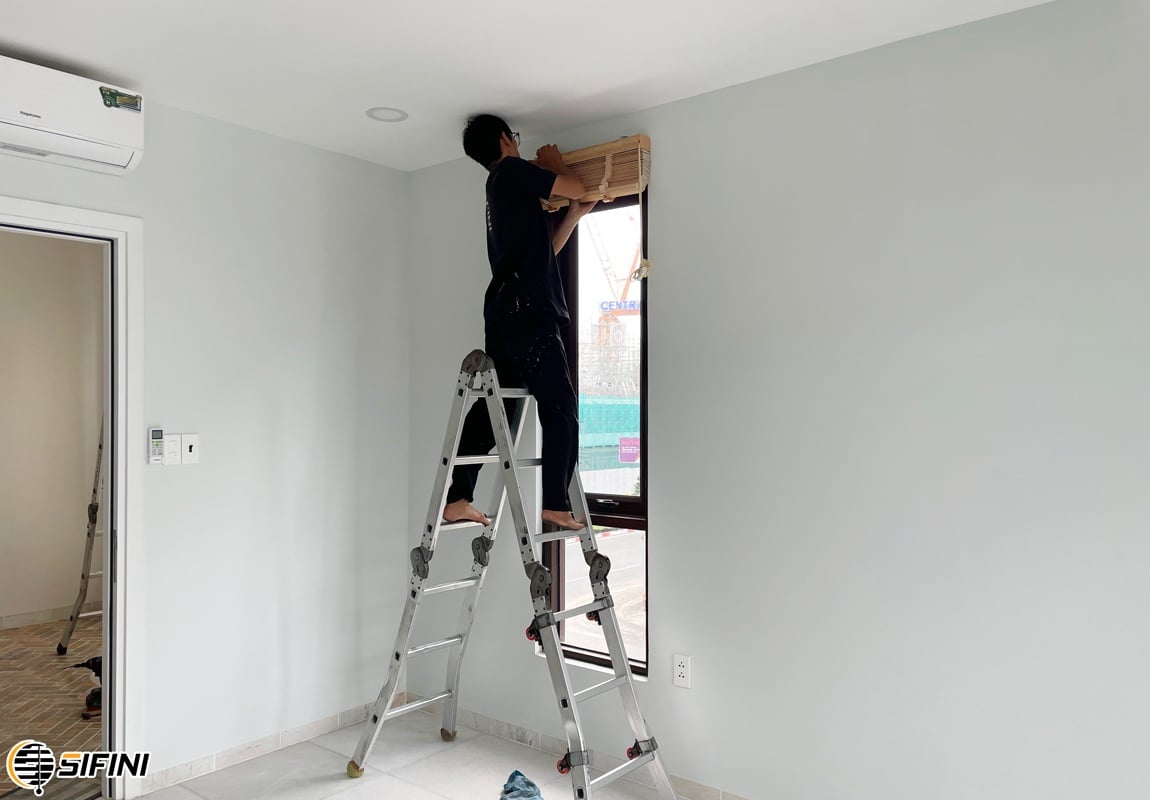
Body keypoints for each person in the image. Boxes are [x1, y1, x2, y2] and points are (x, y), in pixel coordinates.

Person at [443, 114, 596, 532]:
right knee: (559, 408)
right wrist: (555, 165)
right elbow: (577, 186)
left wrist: (572, 217)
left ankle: (457, 497)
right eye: (515, 137)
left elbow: (541, 257)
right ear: (505, 139)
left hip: (506, 315)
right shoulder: (511, 171)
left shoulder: (498, 189)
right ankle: (556, 503)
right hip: (529, 315)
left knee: (499, 414)